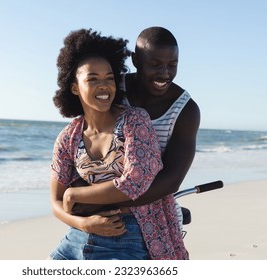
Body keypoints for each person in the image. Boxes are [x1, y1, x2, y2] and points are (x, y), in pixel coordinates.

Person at [64, 27, 200, 259]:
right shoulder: (113, 89)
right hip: (99, 205)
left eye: (172, 65)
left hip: (148, 206)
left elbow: (171, 181)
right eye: (155, 64)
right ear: (136, 60)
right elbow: (83, 136)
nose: (164, 73)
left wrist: (95, 202)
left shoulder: (185, 110)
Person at [49, 28, 164, 260]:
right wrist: (84, 223)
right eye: (92, 79)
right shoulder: (68, 137)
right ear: (74, 88)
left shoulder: (135, 121)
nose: (104, 85)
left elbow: (135, 182)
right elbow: (56, 201)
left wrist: (75, 195)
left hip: (129, 233)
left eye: (109, 78)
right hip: (79, 235)